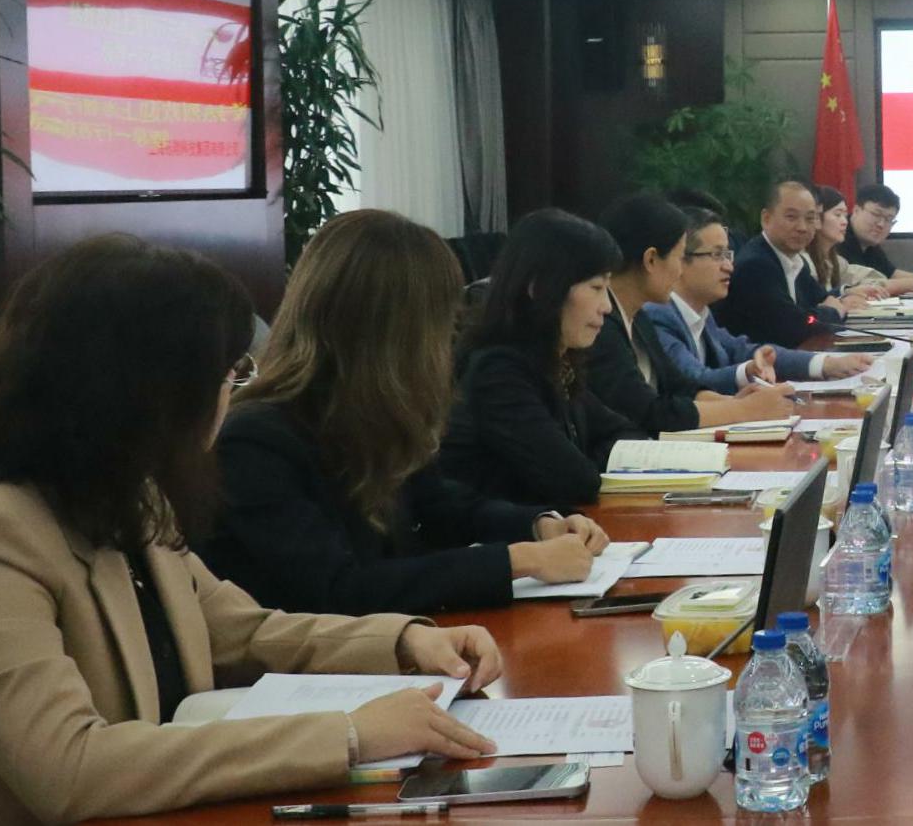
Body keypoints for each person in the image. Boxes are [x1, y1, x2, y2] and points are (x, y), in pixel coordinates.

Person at [0, 235, 503, 825]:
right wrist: (349, 733)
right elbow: (69, 769)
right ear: (156, 392)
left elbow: (240, 630)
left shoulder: (131, 495)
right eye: (228, 374)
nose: (233, 394)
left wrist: (403, 642)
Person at [203, 210, 611, 617]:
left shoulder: (372, 414)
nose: (447, 342)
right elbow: (339, 590)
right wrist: (517, 561)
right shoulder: (256, 442)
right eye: (440, 323)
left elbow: (440, 507)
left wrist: (538, 524)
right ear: (394, 334)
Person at [440, 208, 641, 506]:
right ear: (541, 288)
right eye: (596, 288)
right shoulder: (499, 372)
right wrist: (589, 459)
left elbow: (627, 433)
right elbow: (576, 482)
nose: (606, 306)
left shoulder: (555, 362)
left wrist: (585, 458)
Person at [592, 195, 795, 431]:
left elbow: (680, 387)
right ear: (651, 260)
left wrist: (735, 403)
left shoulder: (639, 319)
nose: (680, 272)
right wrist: (745, 410)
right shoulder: (601, 326)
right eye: (679, 258)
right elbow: (649, 412)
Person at [644, 207, 879, 395]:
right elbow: (693, 379)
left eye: (727, 254)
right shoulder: (659, 314)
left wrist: (826, 364)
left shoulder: (700, 312)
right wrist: (747, 371)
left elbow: (744, 351)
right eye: (716, 255)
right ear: (679, 260)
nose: (728, 266)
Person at [719, 179, 849, 348]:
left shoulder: (795, 261)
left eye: (810, 219)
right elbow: (796, 327)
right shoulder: (756, 265)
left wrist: (829, 308)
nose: (802, 227)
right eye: (791, 217)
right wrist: (833, 312)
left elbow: (821, 300)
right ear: (766, 218)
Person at [839, 181, 913, 293]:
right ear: (856, 210)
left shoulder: (869, 244)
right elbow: (867, 285)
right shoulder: (839, 238)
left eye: (889, 219)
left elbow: (891, 273)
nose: (881, 224)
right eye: (876, 214)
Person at [810, 184, 890, 302]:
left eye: (845, 215)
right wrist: (845, 295)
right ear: (817, 217)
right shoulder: (803, 261)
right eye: (838, 215)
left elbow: (871, 278)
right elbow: (812, 303)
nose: (845, 222)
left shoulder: (836, 261)